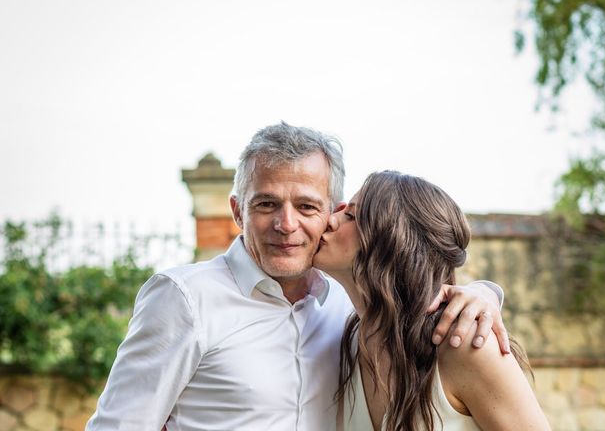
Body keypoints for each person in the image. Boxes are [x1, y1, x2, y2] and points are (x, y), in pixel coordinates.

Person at [87, 123, 508, 431]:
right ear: (238, 211)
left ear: (332, 213)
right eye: (267, 204)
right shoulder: (184, 299)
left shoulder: (352, 306)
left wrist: (483, 293)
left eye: (307, 207)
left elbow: (417, 293)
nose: (286, 225)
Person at [313, 170, 550, 431]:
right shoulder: (346, 343)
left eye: (351, 216)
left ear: (393, 240)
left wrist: (486, 292)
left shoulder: (464, 344)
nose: (330, 220)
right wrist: (486, 290)